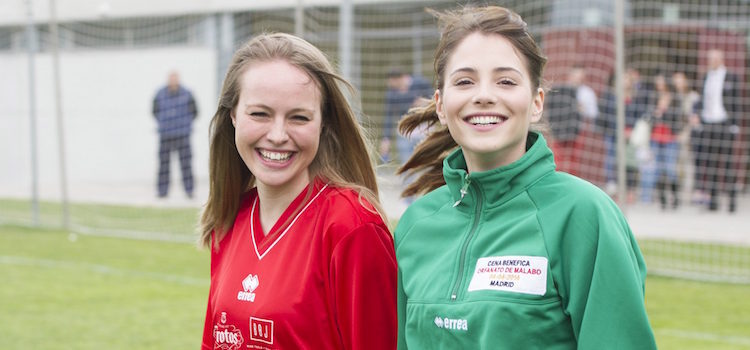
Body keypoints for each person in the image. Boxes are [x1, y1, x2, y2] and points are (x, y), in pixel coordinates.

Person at [394, 6, 656, 349]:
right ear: (442, 105)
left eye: (505, 81)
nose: (484, 95)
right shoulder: (415, 224)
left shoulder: (584, 216)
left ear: (536, 102)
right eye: (464, 81)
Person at [199, 33, 397, 349]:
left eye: (298, 117)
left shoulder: (352, 225)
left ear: (323, 124)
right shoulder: (230, 221)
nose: (278, 135)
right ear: (234, 115)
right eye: (260, 114)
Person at [692, 49, 742, 212]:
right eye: (709, 58)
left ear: (721, 59)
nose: (711, 61)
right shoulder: (705, 77)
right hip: (708, 123)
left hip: (724, 123)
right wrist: (698, 117)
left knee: (727, 164)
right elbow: (701, 100)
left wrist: (735, 124)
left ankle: (732, 202)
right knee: (711, 164)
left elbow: (737, 102)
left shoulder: (731, 77)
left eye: (714, 58)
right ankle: (713, 202)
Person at [152, 71, 198, 198]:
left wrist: (185, 124)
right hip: (166, 134)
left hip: (182, 134)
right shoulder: (160, 94)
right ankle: (162, 191)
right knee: (164, 165)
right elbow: (154, 111)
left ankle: (189, 190)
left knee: (186, 164)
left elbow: (194, 111)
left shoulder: (187, 94)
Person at [380, 69, 433, 164]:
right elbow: (389, 116)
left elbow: (434, 101)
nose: (391, 86)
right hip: (405, 131)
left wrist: (425, 103)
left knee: (426, 164)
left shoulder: (421, 83)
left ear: (401, 78)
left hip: (424, 130)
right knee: (407, 165)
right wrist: (386, 138)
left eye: (392, 83)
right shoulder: (392, 93)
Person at [648, 73, 682, 209]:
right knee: (657, 169)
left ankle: (675, 196)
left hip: (669, 138)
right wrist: (655, 113)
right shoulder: (654, 97)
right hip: (656, 137)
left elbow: (677, 118)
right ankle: (662, 199)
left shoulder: (674, 99)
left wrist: (664, 111)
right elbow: (650, 116)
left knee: (670, 168)